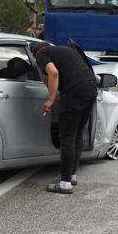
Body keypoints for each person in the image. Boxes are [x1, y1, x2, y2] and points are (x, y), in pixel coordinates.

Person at [30, 41, 97, 194]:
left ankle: (65, 183)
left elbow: (53, 73)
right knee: (77, 133)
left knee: (67, 137)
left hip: (75, 91)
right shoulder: (65, 50)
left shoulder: (41, 53)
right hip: (91, 87)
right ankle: (71, 175)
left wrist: (50, 100)